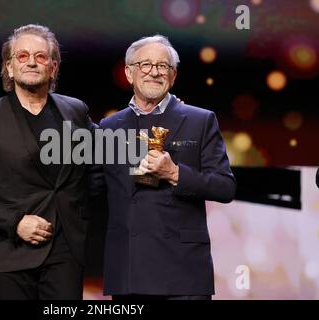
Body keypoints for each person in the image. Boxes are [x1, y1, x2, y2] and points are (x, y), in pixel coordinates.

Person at [0, 24, 97, 300]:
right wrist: (15, 222)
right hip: (12, 252)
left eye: (41, 57)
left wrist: (153, 115)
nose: (32, 62)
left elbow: (104, 156)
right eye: (22, 56)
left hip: (65, 252)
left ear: (53, 68)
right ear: (9, 67)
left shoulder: (75, 110)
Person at [99, 35, 237, 300]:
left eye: (163, 66)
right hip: (128, 271)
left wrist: (175, 173)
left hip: (182, 273)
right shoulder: (109, 127)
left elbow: (225, 186)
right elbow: (95, 185)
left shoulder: (201, 120)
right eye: (145, 64)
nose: (154, 72)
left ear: (173, 76)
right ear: (129, 73)